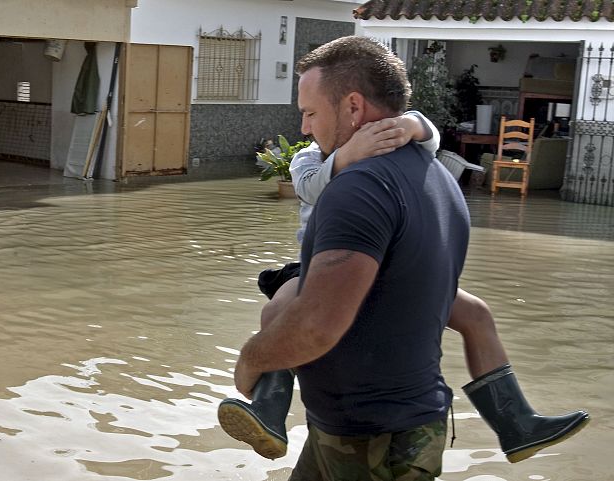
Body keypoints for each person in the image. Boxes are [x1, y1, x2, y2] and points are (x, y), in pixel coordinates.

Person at [218, 37, 585, 480]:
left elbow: (316, 327)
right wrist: (355, 153)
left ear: (354, 107)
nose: (304, 128)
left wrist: (252, 360)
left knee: (278, 310)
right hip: (393, 418)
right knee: (473, 313)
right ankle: (514, 421)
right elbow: (317, 191)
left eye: (311, 112)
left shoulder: (362, 188)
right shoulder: (437, 177)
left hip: (370, 436)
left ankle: (269, 405)